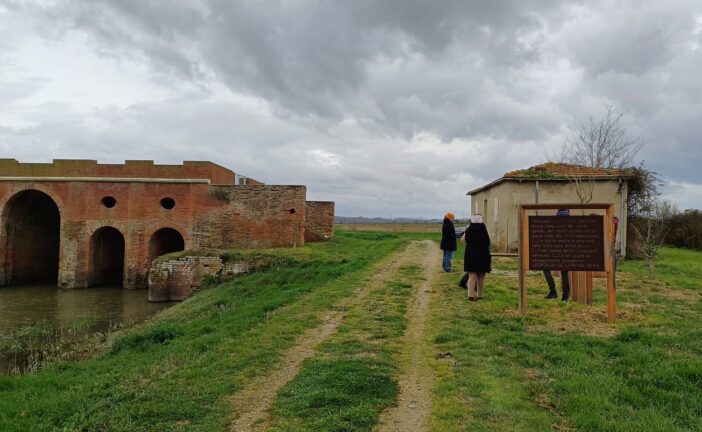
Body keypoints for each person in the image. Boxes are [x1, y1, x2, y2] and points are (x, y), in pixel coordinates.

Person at [544, 208, 570, 301]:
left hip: (555, 254)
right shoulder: (572, 226)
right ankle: (566, 296)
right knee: (564, 272)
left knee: (546, 269)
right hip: (568, 255)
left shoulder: (553, 226)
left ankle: (553, 292)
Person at [463, 214, 491, 301]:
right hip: (483, 255)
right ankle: (480, 296)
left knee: (472, 276)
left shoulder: (469, 229)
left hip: (471, 255)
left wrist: (469, 245)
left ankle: (470, 295)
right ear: (481, 221)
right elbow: (488, 242)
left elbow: (462, 240)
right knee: (481, 277)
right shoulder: (483, 229)